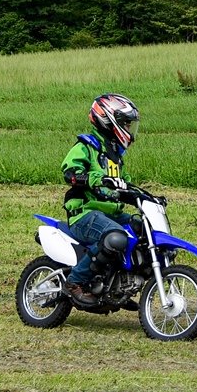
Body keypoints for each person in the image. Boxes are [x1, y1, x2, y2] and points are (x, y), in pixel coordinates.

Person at [59, 93, 141, 308]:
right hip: (85, 213)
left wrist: (139, 195)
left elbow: (121, 183)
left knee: (140, 228)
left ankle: (118, 286)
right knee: (115, 238)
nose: (128, 128)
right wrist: (93, 179)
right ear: (107, 119)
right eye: (125, 123)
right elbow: (70, 172)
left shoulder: (114, 153)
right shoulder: (86, 146)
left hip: (109, 212)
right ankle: (75, 282)